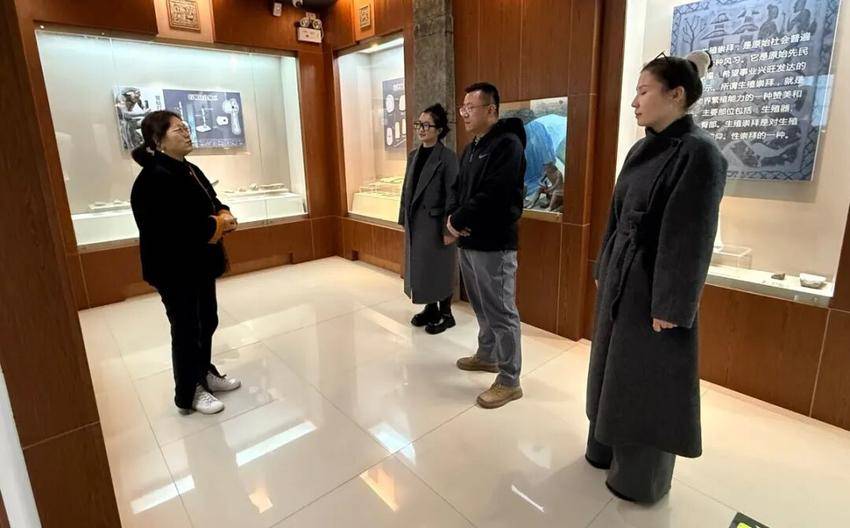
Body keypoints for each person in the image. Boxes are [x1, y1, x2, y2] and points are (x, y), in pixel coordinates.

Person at [585, 51, 727, 503]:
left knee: (647, 381)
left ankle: (639, 479)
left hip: (654, 290)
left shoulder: (700, 153)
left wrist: (671, 305)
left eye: (643, 91)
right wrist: (604, 267)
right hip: (622, 279)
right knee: (611, 369)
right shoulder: (641, 148)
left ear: (676, 94)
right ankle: (603, 449)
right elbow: (615, 216)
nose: (635, 101)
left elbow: (691, 238)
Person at [130, 110, 241, 415]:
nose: (187, 133)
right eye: (178, 130)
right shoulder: (152, 178)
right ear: (157, 140)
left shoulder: (189, 169)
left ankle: (203, 372)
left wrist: (224, 213)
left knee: (207, 320)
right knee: (186, 329)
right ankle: (189, 392)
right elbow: (173, 229)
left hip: (200, 264)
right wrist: (216, 225)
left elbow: (213, 200)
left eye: (186, 127)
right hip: (174, 269)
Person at [447, 82, 527, 409]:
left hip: (495, 244)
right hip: (470, 241)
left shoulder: (507, 145)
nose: (464, 113)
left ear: (491, 110)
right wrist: (455, 218)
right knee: (481, 305)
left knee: (501, 311)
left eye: (471, 107)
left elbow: (495, 193)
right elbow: (459, 189)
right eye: (463, 107)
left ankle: (509, 380)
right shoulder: (472, 147)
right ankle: (487, 354)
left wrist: (457, 220)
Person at [398, 103, 460, 335]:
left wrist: (449, 229)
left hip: (436, 224)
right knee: (422, 267)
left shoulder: (448, 157)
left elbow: (453, 195)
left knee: (440, 268)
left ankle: (447, 314)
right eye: (419, 124)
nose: (421, 129)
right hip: (416, 223)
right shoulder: (413, 155)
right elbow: (407, 189)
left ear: (439, 129)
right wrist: (403, 218)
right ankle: (431, 308)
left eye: (427, 125)